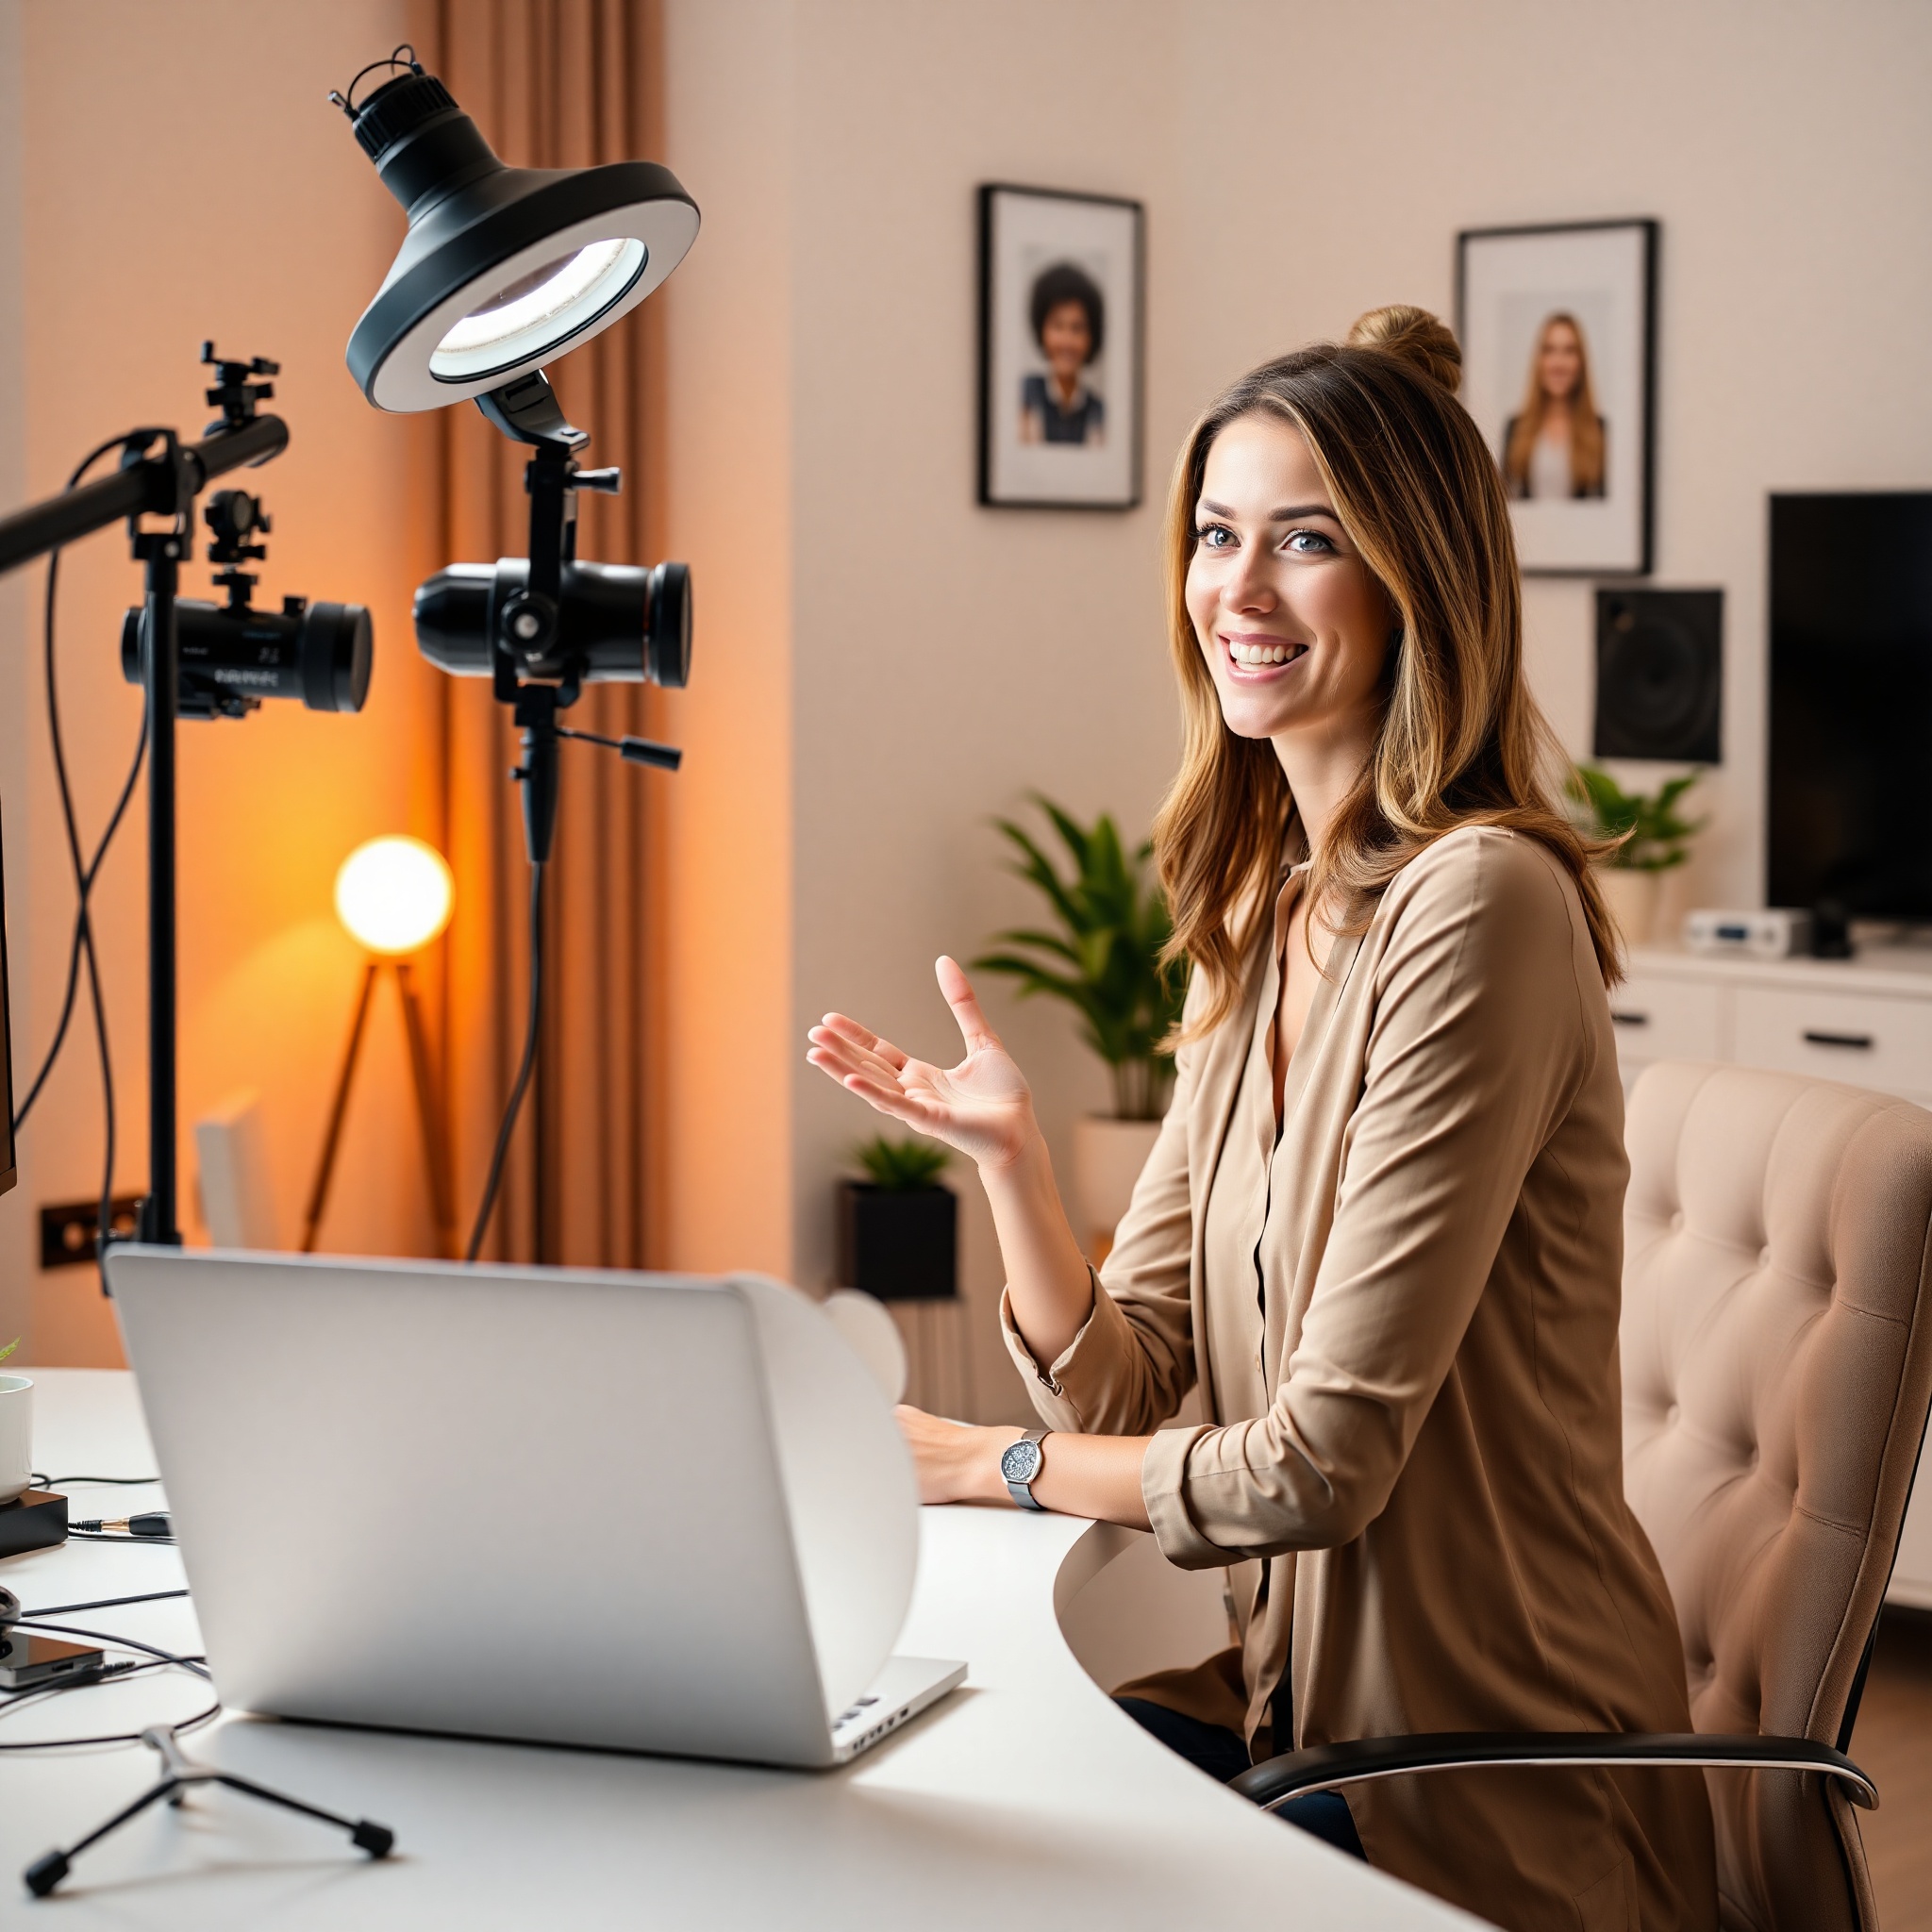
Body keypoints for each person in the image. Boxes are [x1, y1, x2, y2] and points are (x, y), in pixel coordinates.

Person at [806, 305, 1714, 1931]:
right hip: (1298, 1732)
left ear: (1410, 577)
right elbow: (1128, 1366)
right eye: (1216, 534)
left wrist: (983, 1462)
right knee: (892, 1825)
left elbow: (1315, 1470)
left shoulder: (1479, 905)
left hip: (1477, 1793)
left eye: (1305, 541)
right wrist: (1014, 1169)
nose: (1237, 586)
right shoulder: (1270, 918)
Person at [1502, 310, 1607, 499]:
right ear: (1539, 361)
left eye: (1569, 351)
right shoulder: (1515, 428)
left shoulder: (1601, 430)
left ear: (1581, 362)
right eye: (1550, 350)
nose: (1558, 363)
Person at [1019, 260, 1107, 446]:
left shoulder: (1100, 413)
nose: (1067, 341)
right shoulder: (1024, 396)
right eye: (1058, 326)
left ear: (1091, 336)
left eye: (1077, 328)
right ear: (1041, 330)